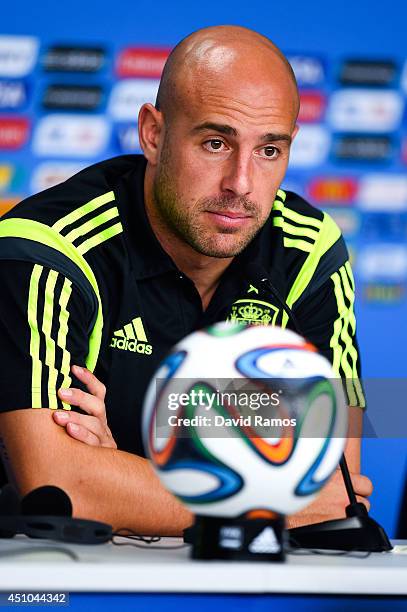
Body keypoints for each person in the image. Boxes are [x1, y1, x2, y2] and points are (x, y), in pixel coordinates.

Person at [0, 25, 372, 534]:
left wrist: (124, 479)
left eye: (269, 150)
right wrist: (269, 500)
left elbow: (335, 488)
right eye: (215, 142)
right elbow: (60, 486)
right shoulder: (48, 247)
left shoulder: (308, 250)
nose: (240, 183)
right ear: (153, 134)